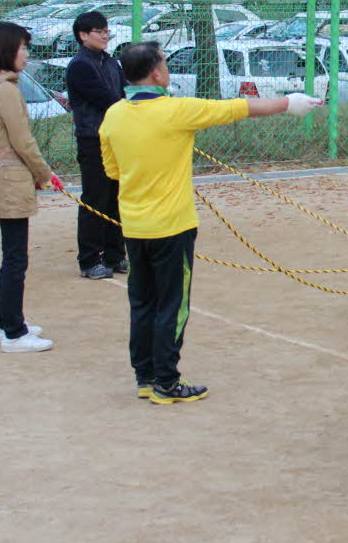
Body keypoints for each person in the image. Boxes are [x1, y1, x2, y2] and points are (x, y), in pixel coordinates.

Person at [99, 42, 323, 405]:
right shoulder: (177, 110)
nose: (167, 70)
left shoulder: (113, 115)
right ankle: (166, 383)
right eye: (165, 64)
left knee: (142, 302)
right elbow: (239, 108)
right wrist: (289, 103)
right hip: (172, 226)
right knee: (173, 304)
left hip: (134, 226)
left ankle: (145, 376)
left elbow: (112, 170)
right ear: (156, 72)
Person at [0, 21, 59, 353]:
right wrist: (44, 174)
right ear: (7, 50)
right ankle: (13, 332)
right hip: (9, 180)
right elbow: (23, 141)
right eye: (23, 48)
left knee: (11, 257)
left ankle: (6, 321)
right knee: (15, 259)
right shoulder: (5, 91)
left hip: (3, 178)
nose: (26, 54)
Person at [65, 10, 128, 280]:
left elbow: (123, 93)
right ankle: (89, 259)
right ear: (83, 35)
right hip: (93, 139)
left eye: (106, 30)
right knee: (95, 198)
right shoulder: (80, 65)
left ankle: (115, 255)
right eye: (99, 31)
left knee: (117, 196)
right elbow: (109, 100)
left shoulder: (111, 63)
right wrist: (131, 109)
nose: (105, 35)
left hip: (117, 139)